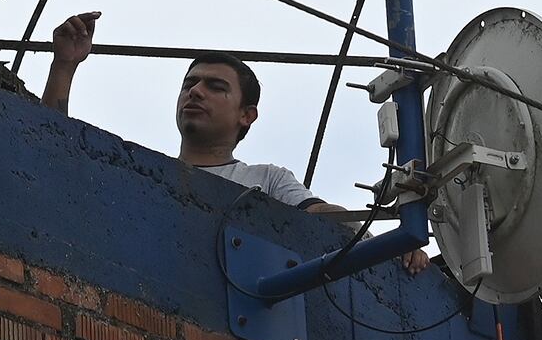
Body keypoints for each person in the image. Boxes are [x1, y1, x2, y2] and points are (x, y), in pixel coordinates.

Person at [38, 13, 349, 213]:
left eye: (215, 86)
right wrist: (64, 65)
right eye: (190, 83)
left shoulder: (265, 180)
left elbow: (320, 216)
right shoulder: (143, 174)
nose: (196, 91)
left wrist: (391, 242)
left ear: (247, 115)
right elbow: (53, 150)